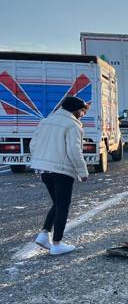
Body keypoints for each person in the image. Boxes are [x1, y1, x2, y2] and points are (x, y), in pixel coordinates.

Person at [29, 96, 91, 255]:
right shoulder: (72, 125)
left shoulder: (45, 122)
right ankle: (57, 243)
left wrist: (38, 164)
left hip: (44, 169)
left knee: (57, 202)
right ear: (76, 109)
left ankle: (44, 234)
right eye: (82, 111)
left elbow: (33, 144)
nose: (83, 114)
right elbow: (74, 150)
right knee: (63, 205)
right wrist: (82, 171)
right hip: (61, 170)